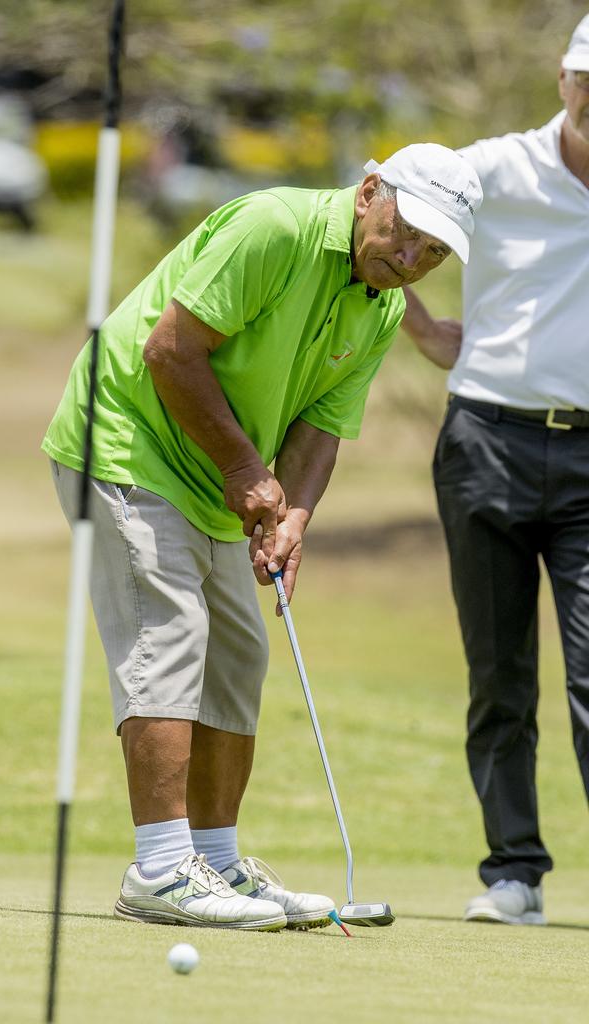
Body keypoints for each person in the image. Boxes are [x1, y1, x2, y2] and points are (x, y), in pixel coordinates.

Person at [43, 143, 482, 931]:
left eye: (436, 251)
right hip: (126, 438)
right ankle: (161, 869)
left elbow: (322, 425)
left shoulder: (380, 307)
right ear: (370, 191)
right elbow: (169, 350)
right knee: (169, 636)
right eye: (406, 230)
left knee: (239, 652)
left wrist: (295, 516)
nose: (413, 257)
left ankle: (213, 864)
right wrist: (247, 466)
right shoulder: (275, 227)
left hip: (211, 471)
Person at [401, 14, 589, 927]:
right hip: (487, 444)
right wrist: (424, 326)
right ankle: (513, 873)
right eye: (588, 76)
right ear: (564, 76)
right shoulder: (500, 166)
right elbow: (379, 196)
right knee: (499, 678)